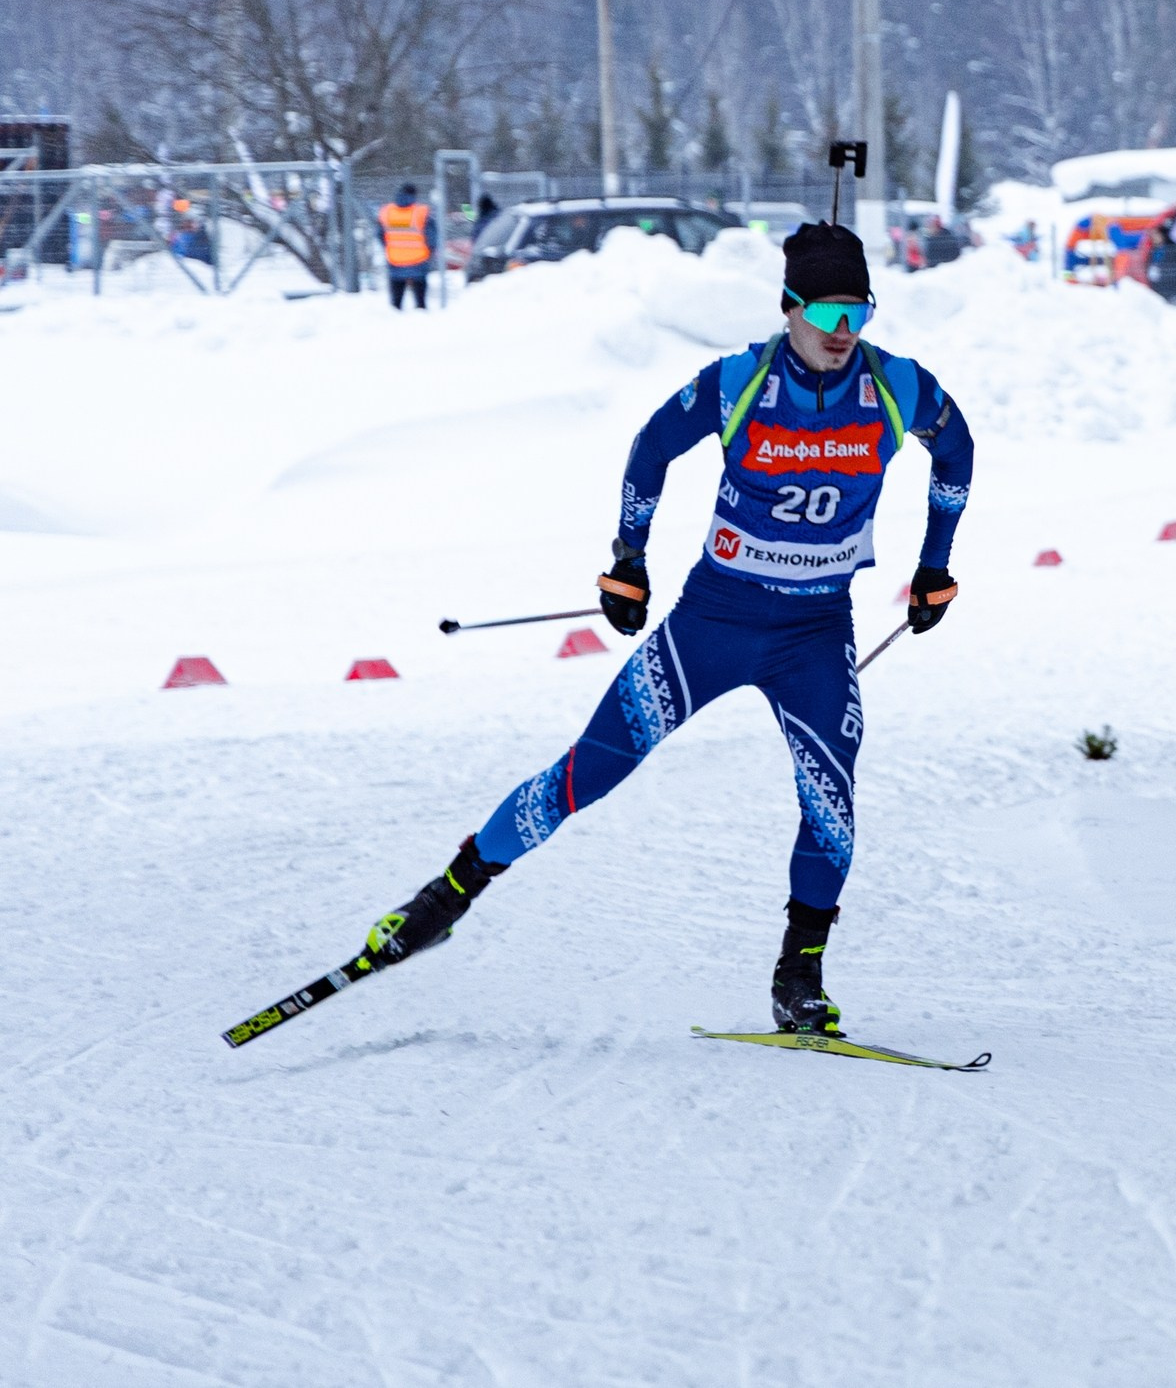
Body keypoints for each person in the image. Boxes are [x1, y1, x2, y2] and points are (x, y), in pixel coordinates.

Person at [352, 224, 974, 1037]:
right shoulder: (739, 382)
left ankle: (801, 975)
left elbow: (955, 453)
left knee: (832, 804)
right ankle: (444, 897)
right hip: (714, 623)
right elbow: (651, 449)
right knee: (590, 772)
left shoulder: (897, 387)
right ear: (789, 307)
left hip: (816, 632)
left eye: (855, 309)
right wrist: (628, 561)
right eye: (823, 309)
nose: (840, 329)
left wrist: (935, 567)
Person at [377, 184, 437, 310]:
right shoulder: (421, 212)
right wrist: (431, 251)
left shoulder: (387, 212)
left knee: (396, 297)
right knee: (420, 298)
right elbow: (432, 236)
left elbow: (379, 234)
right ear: (414, 195)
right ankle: (421, 312)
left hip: (395, 259)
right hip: (419, 259)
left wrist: (390, 247)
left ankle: (395, 312)